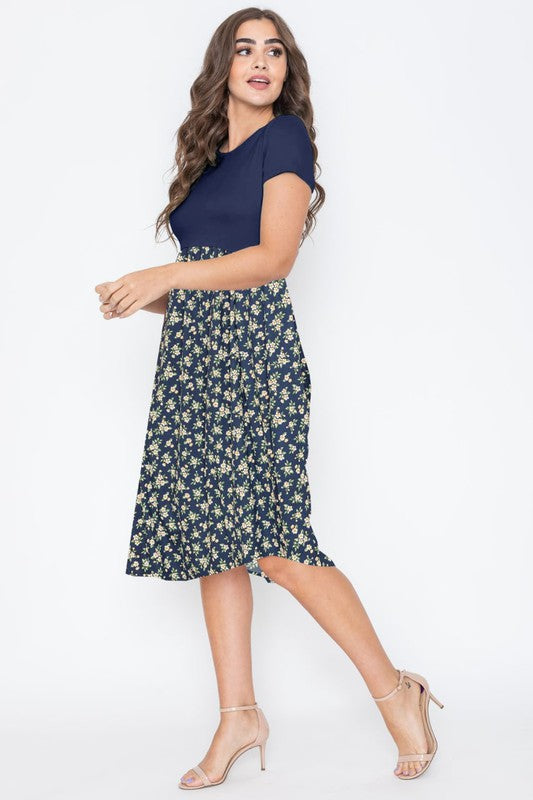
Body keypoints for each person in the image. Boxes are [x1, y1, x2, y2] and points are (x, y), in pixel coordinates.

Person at [94, 7, 444, 788]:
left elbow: (273, 260)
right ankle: (237, 718)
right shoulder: (205, 156)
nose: (260, 62)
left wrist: (167, 275)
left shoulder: (285, 139)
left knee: (279, 548)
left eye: (274, 51)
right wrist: (140, 295)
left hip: (253, 365)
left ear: (287, 72)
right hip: (193, 363)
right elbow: (207, 278)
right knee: (215, 548)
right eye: (244, 49)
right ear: (222, 65)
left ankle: (396, 693)